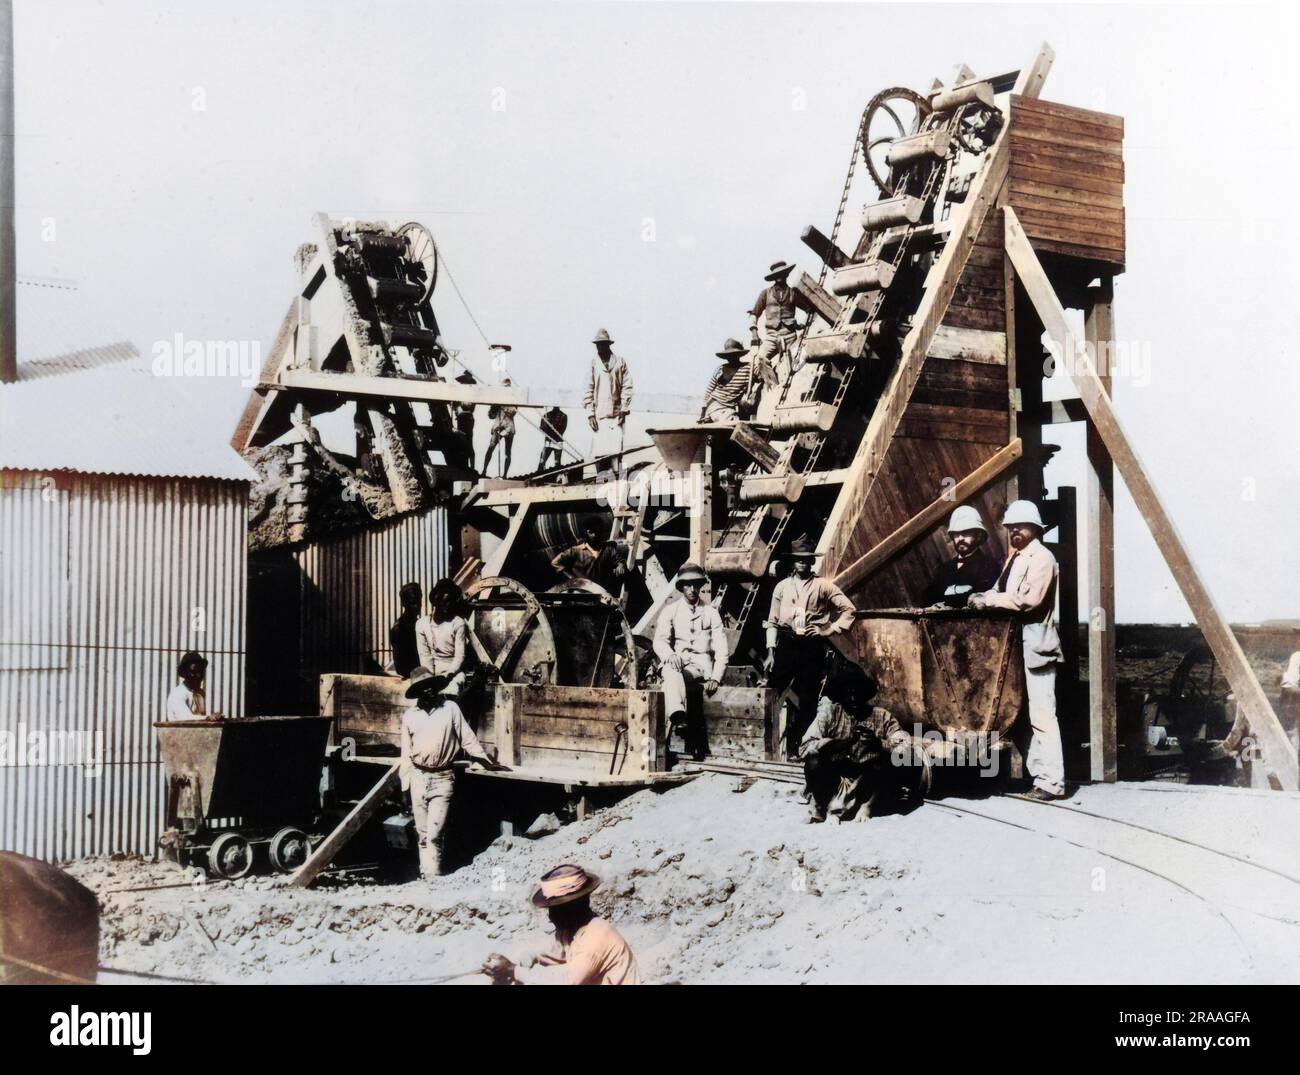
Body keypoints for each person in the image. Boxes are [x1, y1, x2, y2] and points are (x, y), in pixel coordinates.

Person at [968, 500, 1066, 801]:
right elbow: (1000, 590)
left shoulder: (1043, 558)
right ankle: (1040, 778)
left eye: (1019, 527)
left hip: (1037, 647)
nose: (1014, 532)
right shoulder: (1016, 558)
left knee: (1043, 715)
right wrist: (982, 596)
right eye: (1010, 528)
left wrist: (989, 602)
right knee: (1021, 715)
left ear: (1036, 528)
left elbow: (1028, 600)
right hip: (1015, 648)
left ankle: (1053, 782)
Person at [399, 668, 505, 879]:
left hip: (442, 778)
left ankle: (433, 878)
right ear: (417, 692)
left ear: (437, 687)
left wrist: (485, 760)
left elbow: (467, 737)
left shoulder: (450, 709)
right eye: (422, 688)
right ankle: (426, 876)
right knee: (422, 834)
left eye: (431, 686)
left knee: (435, 833)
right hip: (418, 777)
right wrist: (405, 786)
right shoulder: (410, 716)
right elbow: (405, 754)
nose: (428, 691)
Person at [764, 535, 856, 758]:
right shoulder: (782, 587)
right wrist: (770, 652)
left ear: (811, 562)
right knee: (771, 692)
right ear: (793, 561)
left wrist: (828, 630)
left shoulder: (823, 586)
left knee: (808, 699)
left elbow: (849, 610)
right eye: (798, 559)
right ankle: (767, 747)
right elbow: (772, 621)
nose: (803, 563)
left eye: (806, 559)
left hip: (811, 646)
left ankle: (800, 749)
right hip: (786, 644)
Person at [800, 665, 922, 823]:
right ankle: (822, 808)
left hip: (868, 782)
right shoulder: (829, 714)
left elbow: (906, 750)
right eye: (847, 693)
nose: (853, 698)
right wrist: (839, 744)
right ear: (840, 694)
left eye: (857, 692)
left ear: (864, 692)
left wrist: (879, 744)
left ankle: (867, 807)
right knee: (813, 762)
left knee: (889, 761)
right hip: (836, 777)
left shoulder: (882, 716)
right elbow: (805, 747)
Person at [481, 864, 640, 985]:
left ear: (576, 906)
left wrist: (512, 970)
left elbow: (567, 979)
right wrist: (523, 959)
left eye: (556, 910)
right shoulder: (573, 928)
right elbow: (550, 951)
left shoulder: (597, 935)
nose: (551, 917)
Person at [653, 562, 729, 758]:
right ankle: (678, 717)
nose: (693, 589)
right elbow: (659, 641)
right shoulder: (671, 610)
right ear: (681, 587)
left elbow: (721, 648)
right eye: (687, 585)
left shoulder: (711, 612)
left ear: (700, 586)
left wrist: (716, 677)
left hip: (699, 666)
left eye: (696, 584)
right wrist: (670, 655)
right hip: (677, 661)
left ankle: (668, 736)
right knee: (671, 671)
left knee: (670, 679)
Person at [923, 505, 1002, 608]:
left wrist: (946, 603)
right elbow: (928, 597)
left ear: (978, 536)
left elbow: (981, 599)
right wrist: (935, 605)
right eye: (956, 534)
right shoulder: (945, 568)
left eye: (965, 533)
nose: (960, 538)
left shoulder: (989, 566)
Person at [749, 260, 806, 389]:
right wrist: (754, 333)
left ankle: (794, 389)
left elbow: (809, 309)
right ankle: (774, 388)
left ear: (787, 274)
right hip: (771, 336)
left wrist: (799, 325)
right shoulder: (765, 293)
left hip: (789, 335)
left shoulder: (793, 293)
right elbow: (754, 314)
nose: (780, 276)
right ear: (773, 277)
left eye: (783, 273)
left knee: (797, 364)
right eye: (777, 274)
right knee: (761, 358)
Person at [583, 329, 633, 468]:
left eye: (603, 344)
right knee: (600, 455)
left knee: (616, 454)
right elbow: (588, 389)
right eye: (598, 344)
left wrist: (624, 409)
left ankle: (616, 483)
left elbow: (627, 386)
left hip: (617, 416)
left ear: (608, 345)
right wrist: (590, 414)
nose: (600, 347)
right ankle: (601, 483)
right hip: (599, 417)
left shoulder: (620, 362)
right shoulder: (593, 364)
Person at [416, 578, 470, 696]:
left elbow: (460, 656)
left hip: (453, 672)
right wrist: (430, 679)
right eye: (443, 601)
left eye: (449, 601)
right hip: (430, 672)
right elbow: (425, 655)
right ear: (435, 601)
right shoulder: (422, 624)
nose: (447, 605)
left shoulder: (457, 623)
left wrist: (448, 675)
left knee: (450, 693)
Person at [550, 517, 628, 596]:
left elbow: (619, 560)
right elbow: (555, 562)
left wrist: (621, 565)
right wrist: (571, 578)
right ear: (585, 532)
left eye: (597, 531)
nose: (594, 535)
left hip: (602, 594)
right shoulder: (575, 551)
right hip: (581, 593)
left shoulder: (608, 549)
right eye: (591, 532)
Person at [700, 337, 760, 422]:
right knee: (732, 422)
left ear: (739, 355)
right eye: (728, 355)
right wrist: (703, 412)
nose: (731, 357)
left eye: (734, 354)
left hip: (730, 408)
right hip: (715, 405)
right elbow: (708, 391)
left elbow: (762, 377)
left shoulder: (749, 368)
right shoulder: (720, 369)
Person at [388, 582, 423, 678]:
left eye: (419, 601)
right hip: (413, 679)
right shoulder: (399, 628)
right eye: (413, 603)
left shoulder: (420, 624)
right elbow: (401, 667)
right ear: (404, 603)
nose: (417, 606)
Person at [484, 378, 517, 477]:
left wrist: (502, 406)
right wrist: (494, 407)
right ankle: (484, 471)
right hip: (498, 426)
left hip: (508, 427)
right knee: (491, 447)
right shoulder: (497, 398)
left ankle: (505, 475)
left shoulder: (513, 398)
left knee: (507, 452)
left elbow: (513, 411)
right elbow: (491, 416)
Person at [165, 651, 208, 720]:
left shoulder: (200, 693)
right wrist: (208, 718)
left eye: (200, 671)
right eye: (193, 672)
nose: (198, 675)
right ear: (184, 673)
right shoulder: (177, 693)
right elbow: (185, 718)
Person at [453, 370, 478, 472]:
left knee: (467, 442)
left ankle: (470, 467)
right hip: (462, 418)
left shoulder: (470, 393)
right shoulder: (462, 392)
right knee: (462, 442)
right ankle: (465, 465)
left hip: (467, 418)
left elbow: (468, 406)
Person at [538, 405, 568, 471]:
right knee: (542, 461)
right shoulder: (547, 415)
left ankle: (556, 478)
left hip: (557, 442)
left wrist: (549, 427)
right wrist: (546, 425)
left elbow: (562, 430)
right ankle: (539, 475)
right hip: (549, 441)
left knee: (557, 464)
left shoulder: (563, 416)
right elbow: (542, 428)